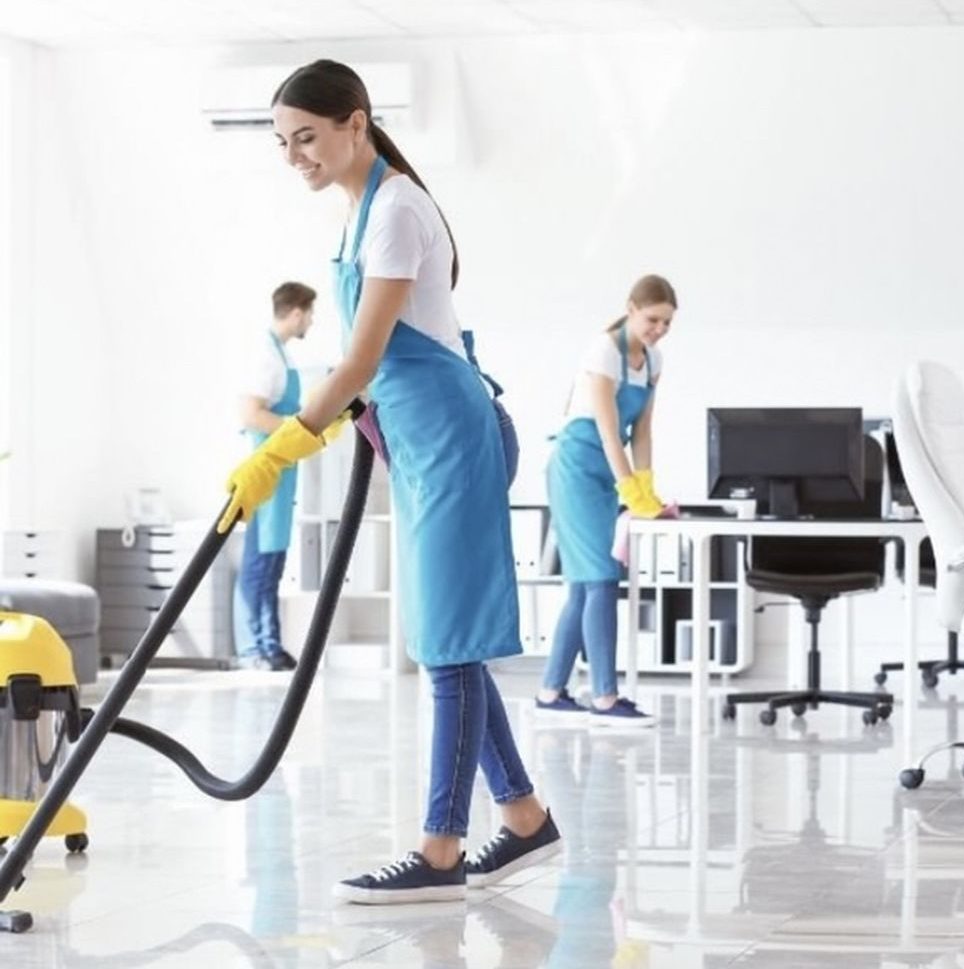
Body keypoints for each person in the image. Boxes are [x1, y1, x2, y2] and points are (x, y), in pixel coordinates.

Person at [218, 59, 560, 904]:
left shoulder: (398, 208)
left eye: (307, 136)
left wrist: (281, 449)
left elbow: (366, 356)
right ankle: (523, 820)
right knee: (450, 642)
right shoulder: (358, 215)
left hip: (451, 436)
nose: (294, 154)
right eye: (283, 142)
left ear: (356, 123)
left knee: (443, 648)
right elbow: (367, 364)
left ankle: (440, 850)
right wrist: (347, 419)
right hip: (417, 438)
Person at [537, 275, 677, 727]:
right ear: (632, 308)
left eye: (667, 323)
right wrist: (628, 489)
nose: (658, 329)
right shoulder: (603, 351)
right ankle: (604, 697)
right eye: (653, 318)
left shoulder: (652, 361)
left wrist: (647, 485)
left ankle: (551, 690)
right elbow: (605, 427)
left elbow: (643, 431)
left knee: (584, 583)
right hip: (578, 468)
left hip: (609, 470)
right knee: (600, 578)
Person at [232, 281, 316, 672]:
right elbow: (251, 414)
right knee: (259, 560)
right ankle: (254, 648)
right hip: (266, 467)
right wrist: (293, 429)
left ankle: (270, 644)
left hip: (282, 469)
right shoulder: (265, 356)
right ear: (297, 311)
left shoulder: (281, 355)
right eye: (310, 313)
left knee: (273, 561)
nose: (311, 321)